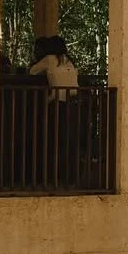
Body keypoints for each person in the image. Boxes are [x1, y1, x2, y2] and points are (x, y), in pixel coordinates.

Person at [28, 37, 80, 186]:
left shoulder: (50, 59)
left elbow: (32, 71)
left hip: (57, 104)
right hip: (74, 104)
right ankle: (70, 177)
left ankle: (51, 176)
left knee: (53, 141)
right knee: (69, 141)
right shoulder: (69, 60)